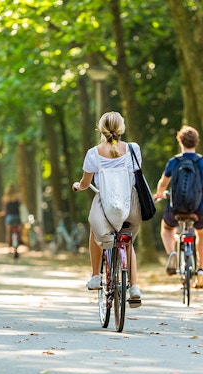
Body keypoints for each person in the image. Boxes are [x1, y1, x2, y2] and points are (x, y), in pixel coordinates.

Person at [72, 111, 142, 306]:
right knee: (127, 240)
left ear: (101, 129)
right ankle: (134, 286)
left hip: (106, 206)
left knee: (95, 229)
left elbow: (85, 183)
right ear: (122, 128)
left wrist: (78, 186)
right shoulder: (134, 149)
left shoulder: (93, 153)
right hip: (130, 206)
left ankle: (96, 276)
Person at [153, 125, 203, 289]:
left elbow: (163, 184)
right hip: (197, 210)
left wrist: (160, 194)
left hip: (176, 209)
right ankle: (201, 270)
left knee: (167, 228)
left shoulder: (174, 161)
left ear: (180, 141)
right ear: (196, 142)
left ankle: (172, 252)